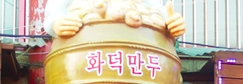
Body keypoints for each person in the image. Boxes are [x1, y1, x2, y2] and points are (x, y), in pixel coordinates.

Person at [44, 0, 185, 38]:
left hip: (139, 57)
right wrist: (57, 23)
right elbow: (54, 13)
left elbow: (163, 13)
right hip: (84, 59)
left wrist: (173, 24)